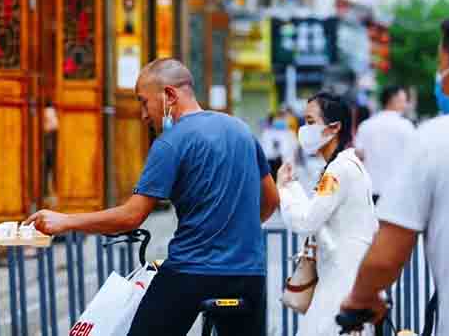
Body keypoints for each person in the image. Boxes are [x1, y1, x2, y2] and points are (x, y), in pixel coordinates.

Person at [25, 58, 280, 336]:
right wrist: (234, 233)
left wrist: (65, 221)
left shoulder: (171, 142)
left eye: (144, 102)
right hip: (249, 274)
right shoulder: (242, 130)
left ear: (169, 95)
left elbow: (131, 216)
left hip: (191, 272)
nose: (143, 115)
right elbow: (271, 201)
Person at [341, 11, 449, 336]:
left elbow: (385, 259)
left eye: (440, 66)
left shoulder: (436, 138)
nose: (439, 78)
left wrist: (361, 298)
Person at [275, 92, 378, 336]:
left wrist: (284, 189)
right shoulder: (344, 166)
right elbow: (315, 213)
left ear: (333, 128)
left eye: (310, 122)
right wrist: (292, 187)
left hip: (340, 285)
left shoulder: (338, 171)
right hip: (344, 280)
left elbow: (305, 221)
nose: (304, 129)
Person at [354, 86, 416, 204]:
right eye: (403, 100)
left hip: (370, 191)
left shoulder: (366, 125)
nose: (406, 104)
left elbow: (359, 155)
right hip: (397, 192)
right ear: (394, 100)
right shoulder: (406, 127)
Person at [259, 112, 298, 178]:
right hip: (270, 164)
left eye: (282, 119)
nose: (280, 121)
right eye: (278, 119)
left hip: (286, 165)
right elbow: (263, 150)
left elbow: (295, 150)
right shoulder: (267, 133)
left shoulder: (290, 133)